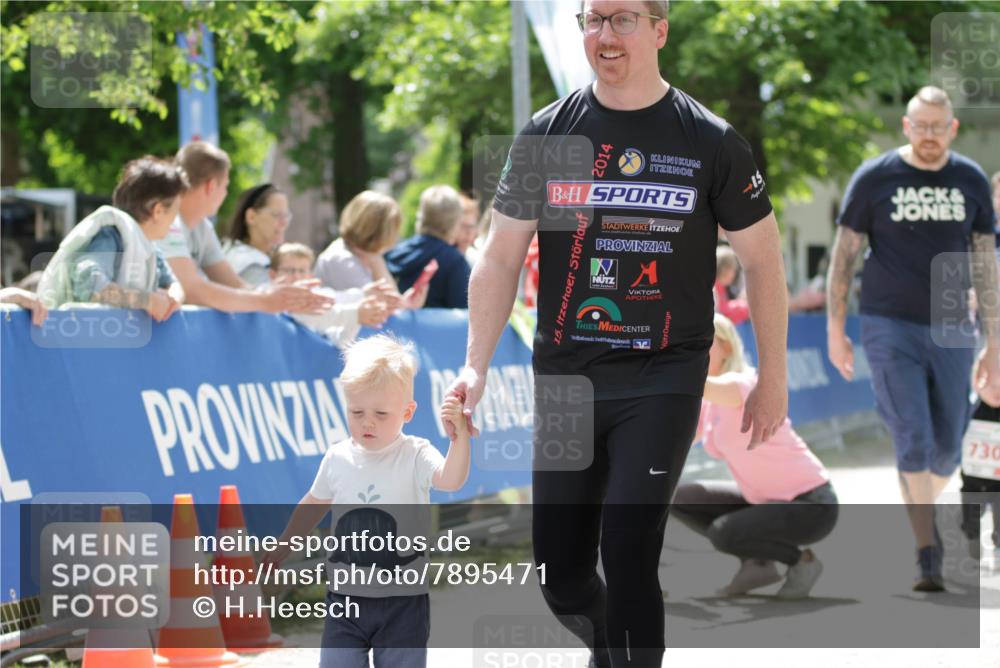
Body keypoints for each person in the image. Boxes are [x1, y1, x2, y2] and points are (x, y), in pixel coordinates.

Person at [445, 2, 789, 666]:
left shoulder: (710, 141)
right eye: (593, 19)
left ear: (659, 30)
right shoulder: (548, 134)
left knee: (630, 545)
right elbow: (498, 256)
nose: (605, 35)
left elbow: (763, 259)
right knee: (562, 575)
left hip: (664, 374)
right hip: (568, 379)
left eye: (623, 19)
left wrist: (771, 375)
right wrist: (475, 365)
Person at [826, 86, 1000, 591]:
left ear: (953, 128)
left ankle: (921, 505)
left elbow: (985, 265)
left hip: (952, 324)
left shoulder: (968, 178)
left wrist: (994, 340)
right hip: (888, 322)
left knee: (948, 448)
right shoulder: (876, 177)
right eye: (919, 126)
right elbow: (844, 256)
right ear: (906, 126)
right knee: (914, 438)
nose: (928, 136)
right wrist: (837, 330)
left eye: (937, 127)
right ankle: (927, 548)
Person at [265, 334, 471, 668]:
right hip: (344, 601)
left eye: (381, 413)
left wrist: (459, 439)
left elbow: (451, 479)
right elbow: (313, 504)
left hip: (403, 602)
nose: (367, 422)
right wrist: (284, 544)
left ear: (407, 412)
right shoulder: (338, 457)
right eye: (356, 411)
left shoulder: (416, 454)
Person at [672, 314, 838, 599]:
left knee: (723, 533)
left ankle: (801, 562)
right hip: (764, 503)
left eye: (701, 343)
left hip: (812, 504)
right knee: (681, 499)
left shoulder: (744, 383)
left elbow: (702, 385)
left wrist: (668, 369)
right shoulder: (708, 403)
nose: (692, 350)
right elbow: (675, 439)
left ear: (725, 346)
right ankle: (757, 564)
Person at [158, 141, 332, 314]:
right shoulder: (169, 221)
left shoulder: (202, 227)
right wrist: (266, 300)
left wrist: (281, 295)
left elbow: (235, 285)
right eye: (225, 186)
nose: (225, 194)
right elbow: (192, 290)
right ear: (212, 186)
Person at [37, 156, 187, 321]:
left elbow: (173, 285)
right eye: (175, 211)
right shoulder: (110, 235)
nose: (175, 221)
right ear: (158, 211)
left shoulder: (149, 247)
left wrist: (173, 297)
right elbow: (91, 288)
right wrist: (147, 300)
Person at [269, 242, 391, 346]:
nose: (296, 276)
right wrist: (355, 314)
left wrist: (365, 294)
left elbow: (338, 298)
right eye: (289, 270)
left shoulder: (319, 294)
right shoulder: (271, 302)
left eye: (302, 270)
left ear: (311, 275)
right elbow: (315, 315)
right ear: (272, 275)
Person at [385, 185, 473, 309]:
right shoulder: (455, 262)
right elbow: (465, 316)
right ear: (455, 220)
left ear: (421, 216)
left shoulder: (392, 255)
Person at [223, 183, 292, 285]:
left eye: (286, 215)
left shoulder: (266, 259)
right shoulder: (247, 263)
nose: (284, 222)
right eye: (277, 215)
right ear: (251, 217)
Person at [714, 245, 750, 324]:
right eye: (733, 269)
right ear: (725, 269)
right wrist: (744, 304)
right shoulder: (714, 287)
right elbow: (721, 312)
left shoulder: (720, 286)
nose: (734, 273)